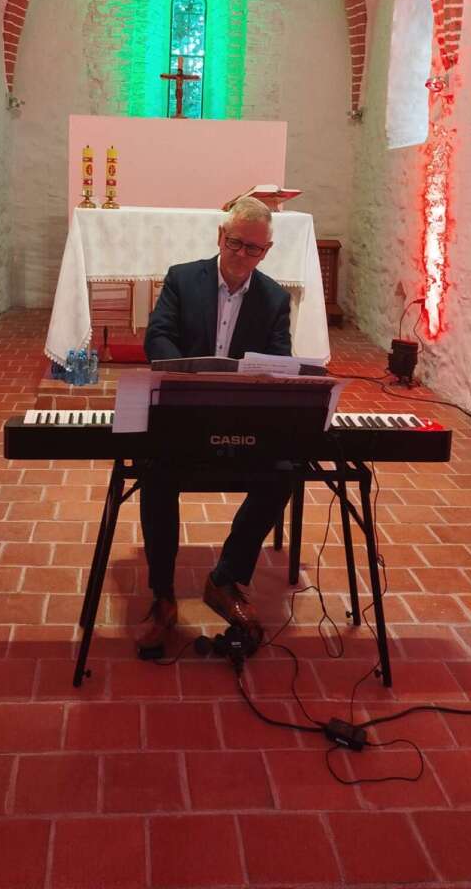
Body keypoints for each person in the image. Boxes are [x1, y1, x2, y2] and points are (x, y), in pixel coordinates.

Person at [137, 195, 294, 658]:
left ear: (266, 251)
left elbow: (280, 359)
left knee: (283, 472)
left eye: (254, 249)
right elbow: (158, 336)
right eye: (235, 243)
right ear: (220, 237)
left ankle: (225, 578)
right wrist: (188, 376)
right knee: (156, 472)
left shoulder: (274, 298)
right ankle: (163, 595)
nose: (242, 255)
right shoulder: (183, 278)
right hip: (185, 414)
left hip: (241, 419)